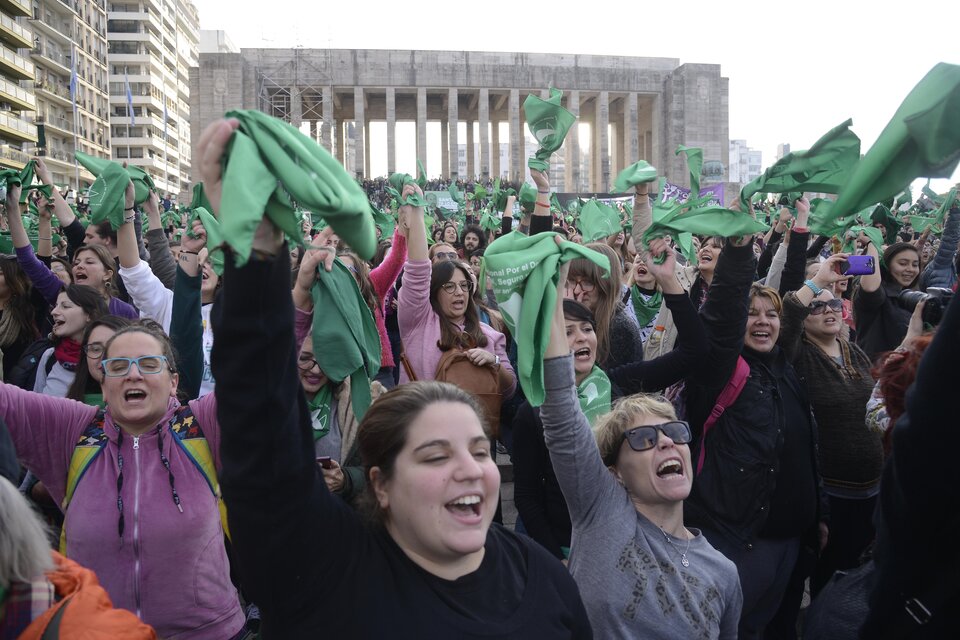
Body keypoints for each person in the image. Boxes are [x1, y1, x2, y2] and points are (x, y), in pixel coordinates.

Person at [199, 116, 591, 637]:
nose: (471, 469)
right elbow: (265, 441)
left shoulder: (544, 580)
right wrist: (255, 241)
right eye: (435, 455)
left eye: (478, 450)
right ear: (379, 484)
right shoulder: (329, 574)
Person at [535, 253, 741, 637]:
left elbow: (697, 351)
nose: (666, 443)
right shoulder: (601, 516)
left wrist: (671, 283)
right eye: (644, 438)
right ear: (614, 471)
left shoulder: (725, 573)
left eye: (676, 433)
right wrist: (550, 290)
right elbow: (560, 410)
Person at [0, 321, 246, 638]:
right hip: (97, 633)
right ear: (103, 385)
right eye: (117, 366)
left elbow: (265, 375)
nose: (133, 374)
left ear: (173, 382)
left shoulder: (202, 425)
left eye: (148, 364)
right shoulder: (72, 430)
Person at [513, 238, 708, 561]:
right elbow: (527, 496)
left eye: (586, 329)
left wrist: (668, 279)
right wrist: (558, 560)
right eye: (568, 331)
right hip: (562, 549)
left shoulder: (619, 386)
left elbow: (694, 351)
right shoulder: (532, 411)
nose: (580, 338)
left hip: (624, 544)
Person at [682, 236, 826, 639]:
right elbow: (720, 316)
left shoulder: (785, 367)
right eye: (751, 314)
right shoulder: (722, 371)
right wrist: (739, 250)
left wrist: (819, 514)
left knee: (767, 626)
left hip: (792, 540)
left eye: (771, 315)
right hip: (741, 540)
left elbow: (805, 449)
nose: (763, 321)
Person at [778, 254, 882, 595]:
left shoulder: (855, 351)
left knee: (859, 573)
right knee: (828, 574)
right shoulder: (797, 355)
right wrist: (818, 282)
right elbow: (790, 314)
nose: (828, 310)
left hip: (872, 488)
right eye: (817, 307)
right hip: (830, 492)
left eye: (834, 303)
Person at [397, 185, 515, 396]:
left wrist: (494, 362)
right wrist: (416, 212)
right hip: (423, 425)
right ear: (433, 292)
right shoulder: (418, 322)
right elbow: (418, 271)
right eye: (449, 286)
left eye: (464, 286)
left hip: (475, 427)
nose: (459, 292)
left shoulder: (489, 334)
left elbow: (509, 389)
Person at [564, 242, 643, 370]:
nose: (577, 290)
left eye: (587, 282)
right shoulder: (590, 318)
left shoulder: (619, 328)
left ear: (606, 285)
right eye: (573, 281)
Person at [33, 285, 108, 397]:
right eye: (55, 306)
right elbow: (37, 407)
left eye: (65, 306)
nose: (54, 312)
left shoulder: (109, 359)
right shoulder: (50, 357)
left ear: (90, 315)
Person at [853, 238, 920, 359]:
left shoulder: (913, 296)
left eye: (915, 264)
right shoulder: (879, 295)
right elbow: (870, 288)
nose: (910, 269)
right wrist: (872, 243)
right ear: (887, 265)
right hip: (876, 372)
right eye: (903, 263)